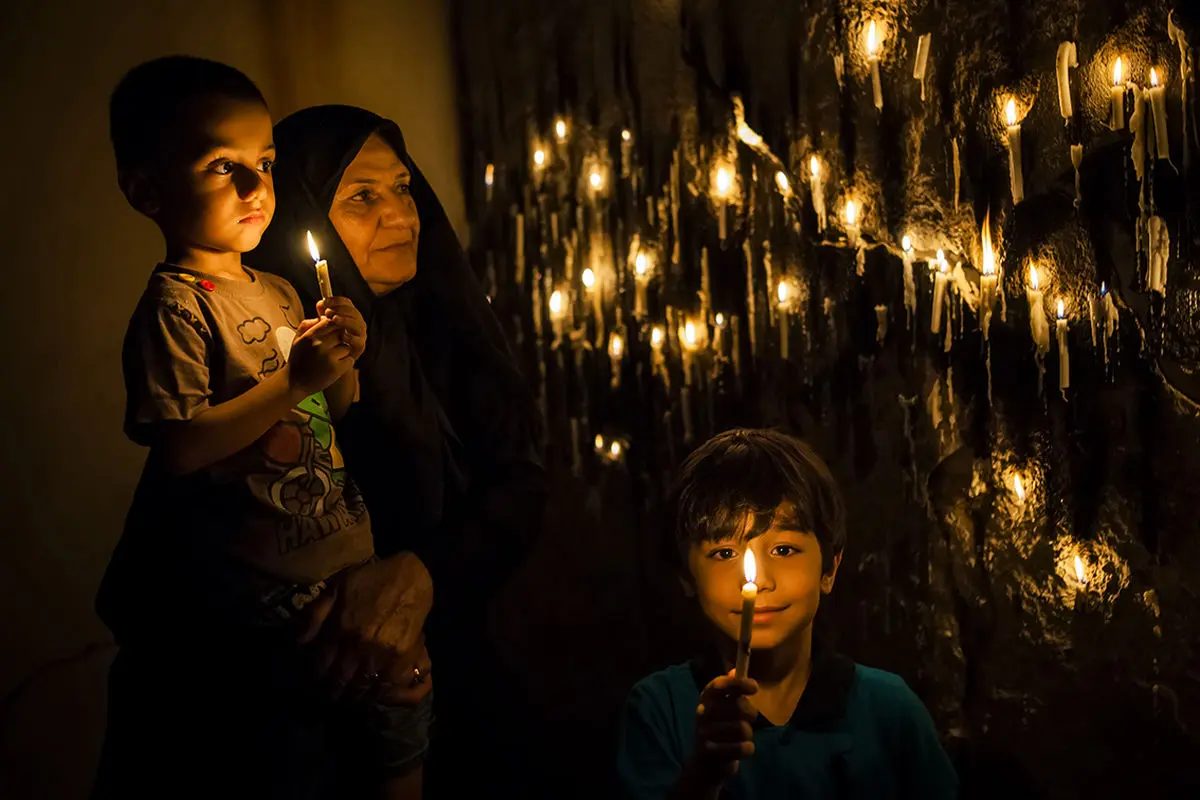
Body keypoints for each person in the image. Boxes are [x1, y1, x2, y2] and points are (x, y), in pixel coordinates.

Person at [94, 56, 433, 799]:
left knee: (401, 714)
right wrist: (296, 379)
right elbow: (181, 446)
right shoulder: (177, 309)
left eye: (265, 164)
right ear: (145, 190)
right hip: (265, 589)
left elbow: (331, 410)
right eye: (223, 166)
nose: (257, 189)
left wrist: (343, 357)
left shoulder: (278, 290)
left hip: (335, 551)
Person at [249, 105, 547, 794]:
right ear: (306, 219)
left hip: (461, 666)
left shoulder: (442, 320)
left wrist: (423, 572)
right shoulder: (265, 357)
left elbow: (519, 480)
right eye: (362, 198)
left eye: (404, 188)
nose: (402, 216)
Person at [617, 428, 958, 799]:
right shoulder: (661, 709)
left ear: (829, 569)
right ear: (686, 576)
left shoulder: (890, 710)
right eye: (723, 553)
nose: (758, 582)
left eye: (783, 550)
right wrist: (704, 776)